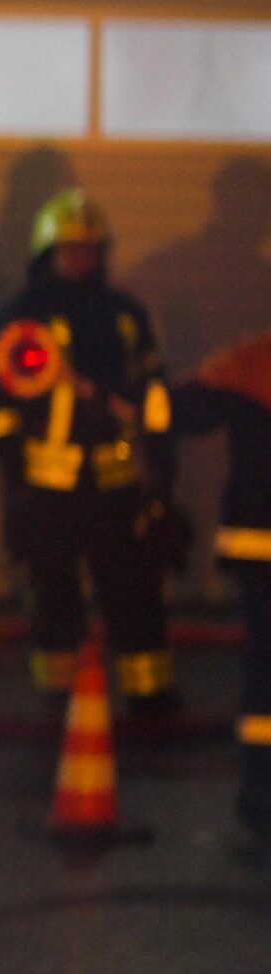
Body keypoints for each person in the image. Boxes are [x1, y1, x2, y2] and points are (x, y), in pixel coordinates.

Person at [0, 189, 182, 710]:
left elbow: (153, 394)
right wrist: (13, 473)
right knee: (53, 596)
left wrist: (160, 472)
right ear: (47, 254)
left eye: (90, 249)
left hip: (116, 484)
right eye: (70, 250)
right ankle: (58, 699)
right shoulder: (21, 317)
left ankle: (149, 695)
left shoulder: (125, 315)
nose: (80, 259)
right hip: (48, 488)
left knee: (135, 592)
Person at [174, 334, 271, 855]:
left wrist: (115, 395)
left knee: (263, 679)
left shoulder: (251, 363)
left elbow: (180, 412)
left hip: (259, 556)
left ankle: (262, 799)